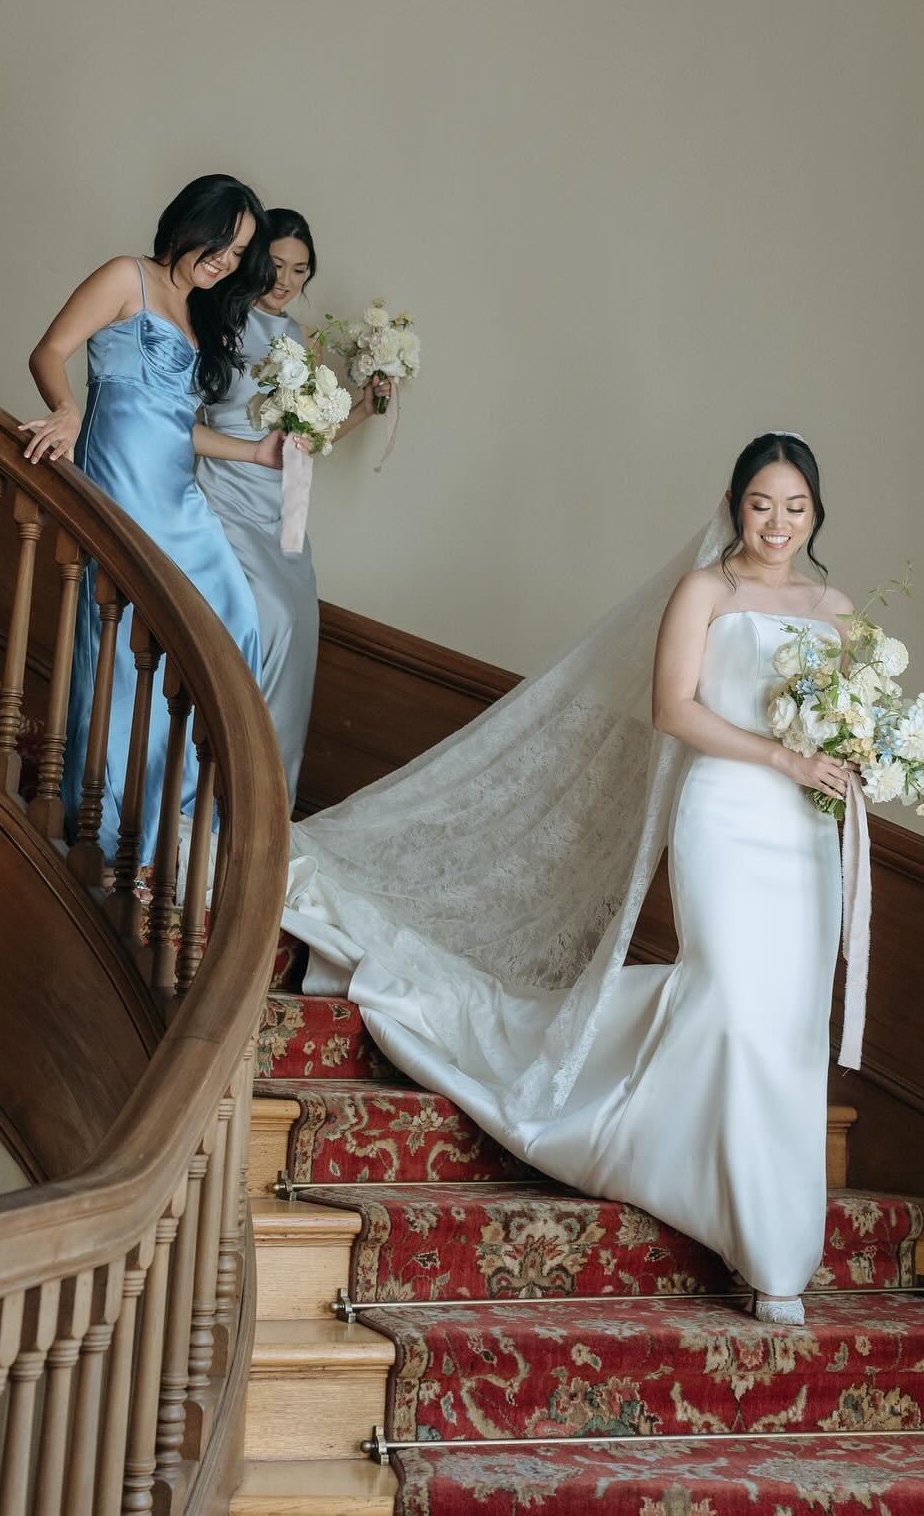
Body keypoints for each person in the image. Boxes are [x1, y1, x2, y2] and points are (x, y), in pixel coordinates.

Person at [284, 431, 865, 1324]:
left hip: (806, 839)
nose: (777, 524)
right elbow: (676, 709)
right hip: (728, 817)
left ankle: (776, 1239)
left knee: (786, 1028)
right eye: (760, 504)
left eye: (794, 507)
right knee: (731, 1002)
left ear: (816, 508)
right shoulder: (705, 589)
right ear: (734, 503)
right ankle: (728, 1214)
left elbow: (854, 725)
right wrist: (781, 759)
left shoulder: (838, 607)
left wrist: (866, 758)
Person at [22, 175, 266, 866]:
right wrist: (66, 410)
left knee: (237, 622)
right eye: (222, 241)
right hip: (122, 496)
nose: (224, 260)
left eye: (239, 252)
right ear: (190, 223)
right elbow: (49, 350)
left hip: (182, 503)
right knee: (127, 662)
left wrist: (255, 451)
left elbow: (176, 428)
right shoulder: (126, 275)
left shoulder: (202, 313)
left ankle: (182, 804)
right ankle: (109, 829)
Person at [194, 209, 390, 807]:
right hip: (224, 492)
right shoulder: (217, 320)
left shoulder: (297, 338)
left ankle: (268, 802)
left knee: (299, 629)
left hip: (282, 510)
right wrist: (251, 454)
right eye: (275, 265)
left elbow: (306, 439)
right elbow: (179, 421)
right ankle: (217, 791)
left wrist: (364, 407)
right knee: (266, 620)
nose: (285, 281)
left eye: (299, 270)